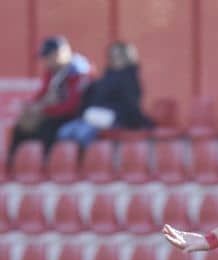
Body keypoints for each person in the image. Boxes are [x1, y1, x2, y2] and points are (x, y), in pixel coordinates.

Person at [6, 36, 92, 164]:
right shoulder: (53, 72)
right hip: (54, 115)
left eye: (48, 56)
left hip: (76, 118)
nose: (45, 61)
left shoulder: (79, 72)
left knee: (47, 128)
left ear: (61, 53)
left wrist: (42, 109)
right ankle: (13, 165)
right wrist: (31, 107)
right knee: (20, 128)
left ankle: (48, 166)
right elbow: (42, 94)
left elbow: (73, 106)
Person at [57, 41, 154, 149]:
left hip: (112, 120)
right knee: (64, 132)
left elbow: (131, 106)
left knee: (82, 134)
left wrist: (139, 122)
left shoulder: (130, 79)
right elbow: (90, 99)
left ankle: (87, 161)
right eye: (112, 56)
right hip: (91, 116)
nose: (115, 59)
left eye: (119, 56)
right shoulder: (105, 78)